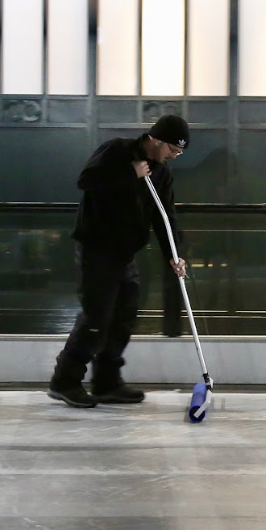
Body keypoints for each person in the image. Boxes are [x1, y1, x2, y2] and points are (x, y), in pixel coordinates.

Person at [47, 114, 190, 408]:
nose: (174, 156)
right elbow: (86, 180)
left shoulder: (162, 173)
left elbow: (164, 217)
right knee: (96, 317)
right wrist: (130, 173)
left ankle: (106, 381)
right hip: (97, 249)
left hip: (125, 254)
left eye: (179, 153)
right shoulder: (117, 150)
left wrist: (174, 255)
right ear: (157, 140)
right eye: (172, 150)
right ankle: (65, 380)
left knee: (124, 317)